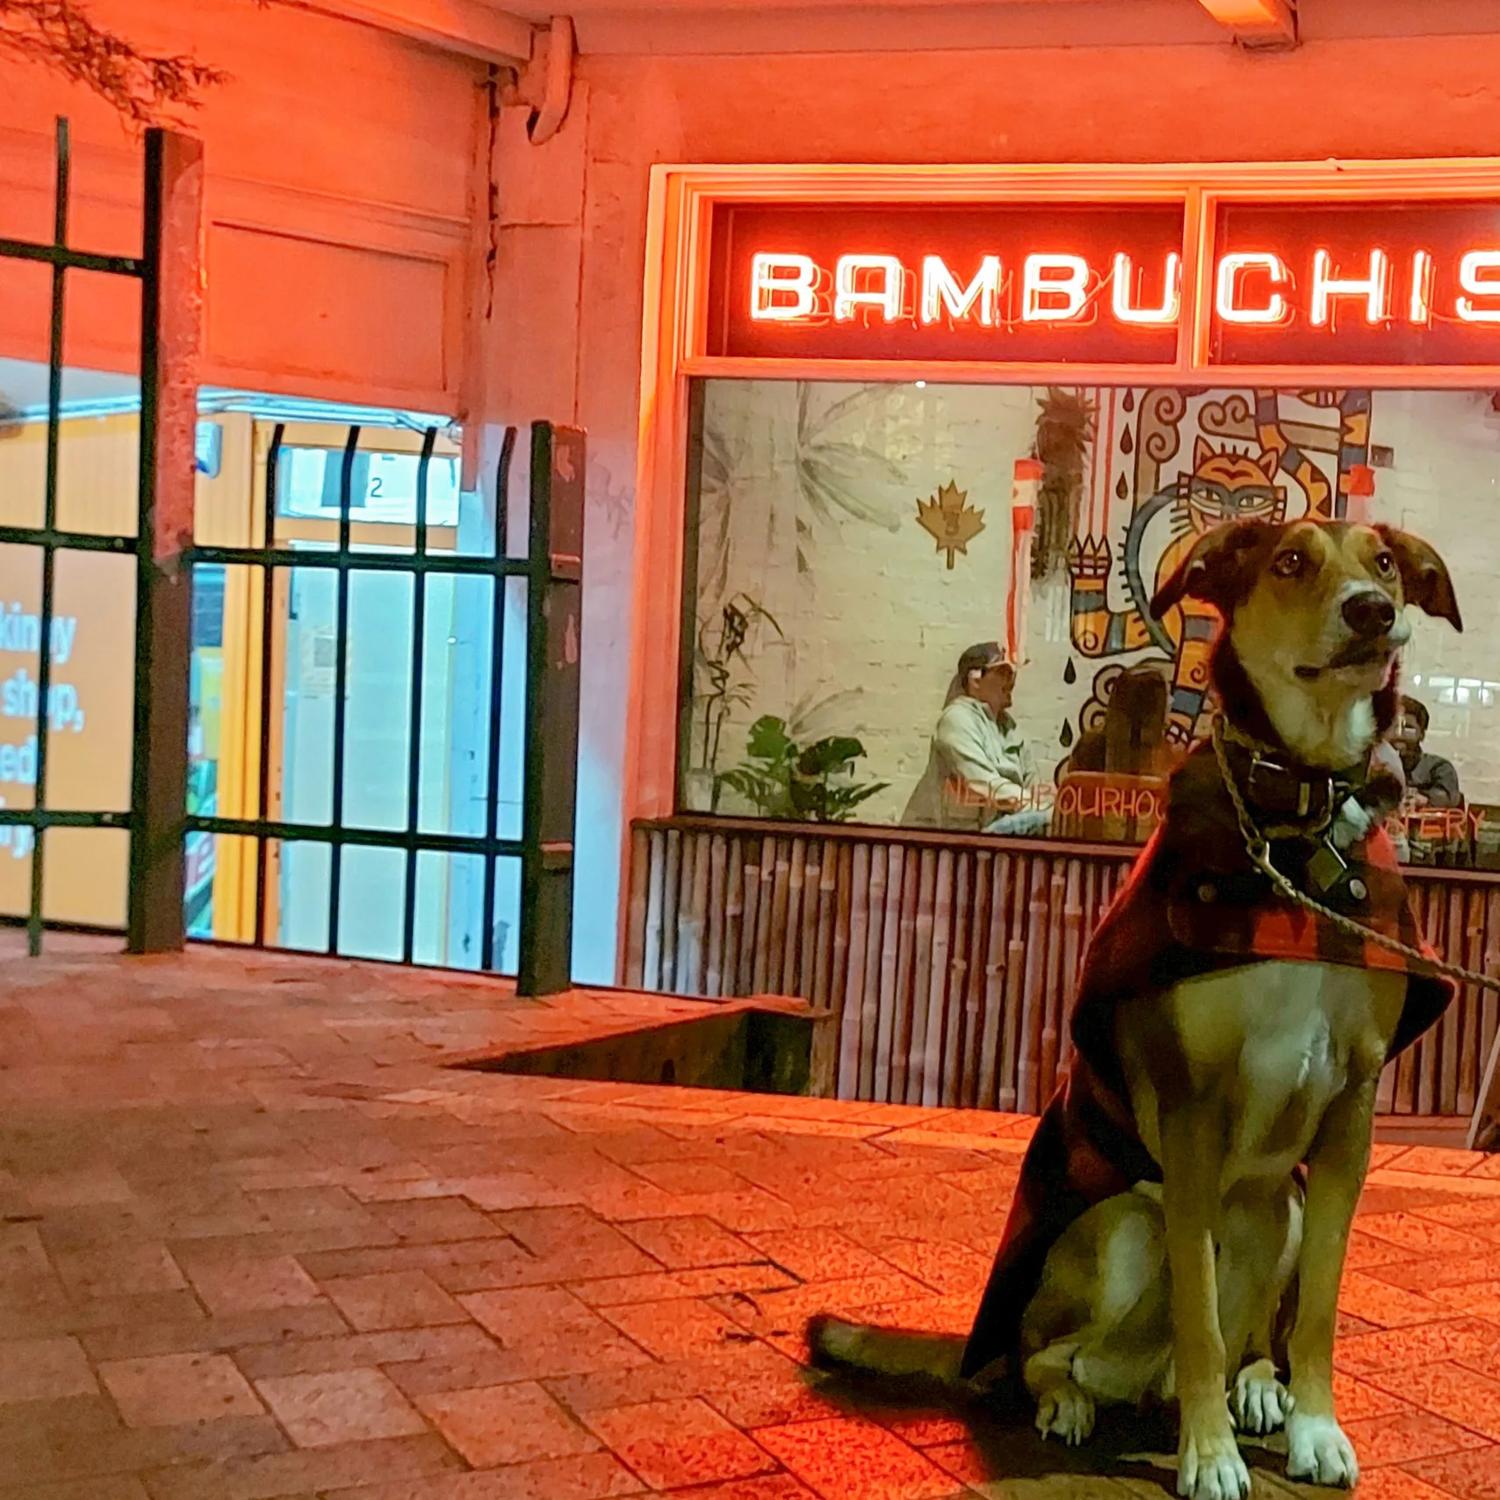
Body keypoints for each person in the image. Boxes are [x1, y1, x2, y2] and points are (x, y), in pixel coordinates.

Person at [902, 642, 1047, 833]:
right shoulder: (957, 720)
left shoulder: (1012, 730)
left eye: (1013, 673)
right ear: (975, 679)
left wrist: (1047, 810)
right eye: (1003, 672)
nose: (1011, 680)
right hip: (948, 846)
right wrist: (1032, 805)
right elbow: (983, 781)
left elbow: (1034, 786)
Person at [1393, 695, 1462, 809]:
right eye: (1395, 727)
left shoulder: (1439, 767)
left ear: (1422, 734)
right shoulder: (1374, 762)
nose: (1400, 735)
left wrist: (1423, 798)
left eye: (1408, 728)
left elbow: (1449, 796)